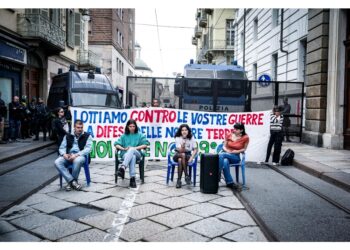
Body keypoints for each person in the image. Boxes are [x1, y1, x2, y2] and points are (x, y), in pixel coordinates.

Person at [54, 119, 92, 191]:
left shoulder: (87, 136)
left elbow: (88, 149)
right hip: (69, 155)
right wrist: (64, 154)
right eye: (78, 127)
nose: (80, 129)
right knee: (57, 162)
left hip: (80, 156)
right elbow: (61, 147)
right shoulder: (68, 135)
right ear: (74, 127)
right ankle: (72, 182)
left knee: (77, 161)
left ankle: (71, 183)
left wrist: (77, 155)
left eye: (81, 127)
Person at [114, 119, 149, 188]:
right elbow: (116, 144)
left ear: (136, 126)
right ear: (127, 127)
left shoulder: (139, 135)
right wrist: (123, 149)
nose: (132, 128)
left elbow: (145, 144)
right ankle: (132, 179)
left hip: (137, 154)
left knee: (132, 150)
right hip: (125, 154)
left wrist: (134, 148)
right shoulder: (124, 136)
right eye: (130, 126)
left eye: (133, 126)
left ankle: (123, 167)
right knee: (132, 157)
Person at [219, 123, 249, 189]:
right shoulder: (229, 135)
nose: (234, 130)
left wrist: (237, 151)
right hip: (226, 154)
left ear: (241, 130)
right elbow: (223, 146)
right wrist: (227, 151)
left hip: (235, 157)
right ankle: (230, 183)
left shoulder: (245, 137)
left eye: (236, 129)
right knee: (225, 161)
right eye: (234, 128)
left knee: (221, 155)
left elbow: (244, 148)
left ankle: (217, 174)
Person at [173, 124, 198, 188]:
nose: (184, 131)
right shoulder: (178, 137)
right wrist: (183, 145)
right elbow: (180, 151)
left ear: (188, 131)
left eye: (186, 130)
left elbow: (195, 149)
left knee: (180, 160)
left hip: (187, 155)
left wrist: (191, 158)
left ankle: (179, 181)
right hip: (178, 154)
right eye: (182, 130)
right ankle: (186, 175)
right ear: (180, 131)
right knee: (181, 156)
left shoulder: (191, 137)